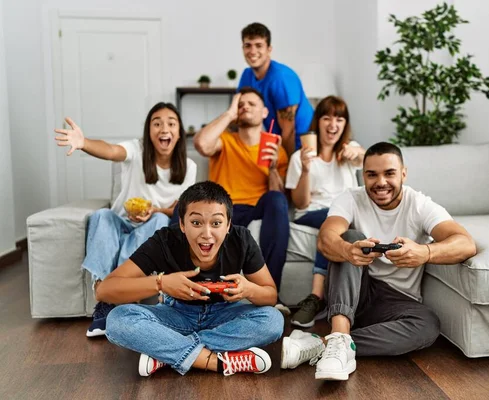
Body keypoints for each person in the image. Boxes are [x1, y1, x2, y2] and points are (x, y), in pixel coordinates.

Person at [279, 142, 477, 380]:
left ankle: (324, 345)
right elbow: (326, 238)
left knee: (428, 326)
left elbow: (466, 243)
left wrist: (425, 252)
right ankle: (340, 333)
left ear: (403, 173)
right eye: (372, 175)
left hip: (396, 302)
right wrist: (348, 250)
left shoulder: (420, 204)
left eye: (389, 173)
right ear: (363, 176)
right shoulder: (350, 198)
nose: (381, 182)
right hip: (355, 291)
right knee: (350, 237)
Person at [100, 181, 283, 377]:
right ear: (182, 224)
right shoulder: (165, 241)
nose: (207, 234)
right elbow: (105, 290)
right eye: (196, 223)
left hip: (223, 318)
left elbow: (270, 295)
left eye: (216, 223)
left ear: (228, 225)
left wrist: (249, 290)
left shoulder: (241, 239)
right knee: (117, 319)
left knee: (273, 320)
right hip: (176, 315)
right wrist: (161, 283)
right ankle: (213, 362)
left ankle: (166, 353)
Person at [54, 102, 197, 337]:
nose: (164, 128)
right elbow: (110, 150)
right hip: (122, 223)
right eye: (157, 123)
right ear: (148, 131)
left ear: (179, 132)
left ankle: (112, 298)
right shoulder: (136, 150)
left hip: (153, 223)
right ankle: (105, 296)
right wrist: (84, 143)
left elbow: (182, 210)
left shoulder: (188, 167)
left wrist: (156, 211)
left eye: (171, 123)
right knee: (101, 215)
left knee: (160, 223)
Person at [194, 87, 290, 312]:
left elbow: (279, 197)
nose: (244, 106)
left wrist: (274, 168)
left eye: (251, 104)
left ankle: (269, 294)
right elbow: (201, 144)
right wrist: (229, 113)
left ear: (265, 112)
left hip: (257, 207)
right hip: (224, 207)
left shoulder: (276, 149)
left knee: (276, 199)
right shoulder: (225, 141)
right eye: (240, 104)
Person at [285, 96, 365, 328]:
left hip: (345, 216)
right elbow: (300, 203)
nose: (333, 125)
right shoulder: (299, 158)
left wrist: (358, 154)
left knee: (343, 227)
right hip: (313, 213)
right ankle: (316, 296)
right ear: (317, 122)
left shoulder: (349, 151)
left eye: (339, 119)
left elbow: (371, 159)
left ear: (345, 124)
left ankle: (342, 304)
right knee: (332, 220)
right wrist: (305, 171)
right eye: (327, 118)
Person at [238, 22, 314, 157]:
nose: (253, 51)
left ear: (269, 49)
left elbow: (289, 130)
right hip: (275, 143)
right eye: (248, 45)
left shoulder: (281, 78)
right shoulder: (246, 76)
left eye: (259, 45)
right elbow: (239, 115)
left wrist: (285, 168)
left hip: (302, 146)